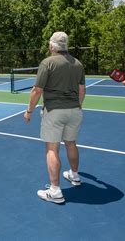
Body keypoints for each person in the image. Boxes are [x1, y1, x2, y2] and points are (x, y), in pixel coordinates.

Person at [24, 31, 86, 204]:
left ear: (52, 46)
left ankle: (55, 191)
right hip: (74, 110)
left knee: (52, 149)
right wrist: (77, 105)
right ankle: (74, 175)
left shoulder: (47, 63)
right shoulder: (78, 64)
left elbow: (37, 91)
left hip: (54, 111)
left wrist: (29, 111)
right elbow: (82, 90)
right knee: (71, 143)